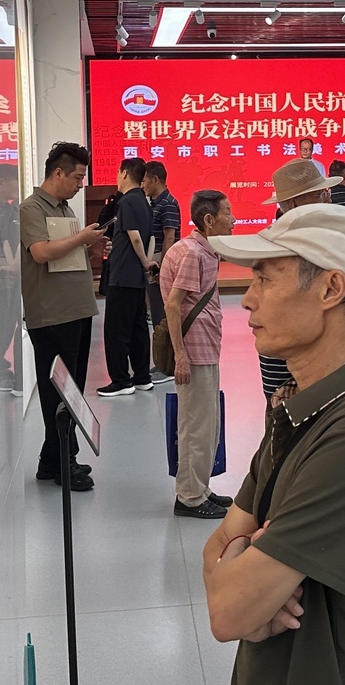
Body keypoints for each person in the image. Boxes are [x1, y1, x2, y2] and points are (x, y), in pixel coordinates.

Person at [202, 204, 345, 685]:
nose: (248, 300)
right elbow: (216, 550)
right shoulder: (301, 405)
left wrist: (245, 581)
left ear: (330, 289)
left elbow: (227, 610)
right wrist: (243, 560)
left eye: (265, 279)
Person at [19, 142, 109, 491]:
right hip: (53, 314)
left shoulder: (64, 207)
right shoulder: (32, 208)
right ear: (58, 173)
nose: (80, 184)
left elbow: (64, 255)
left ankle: (51, 460)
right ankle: (63, 463)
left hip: (76, 309)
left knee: (70, 388)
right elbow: (41, 253)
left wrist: (89, 246)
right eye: (77, 177)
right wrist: (81, 237)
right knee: (58, 392)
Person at [162, 190, 235, 519]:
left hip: (204, 347)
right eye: (227, 212)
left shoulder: (202, 250)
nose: (233, 219)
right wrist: (180, 356)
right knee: (195, 426)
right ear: (209, 220)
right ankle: (190, 496)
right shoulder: (193, 253)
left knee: (206, 423)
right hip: (194, 352)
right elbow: (173, 304)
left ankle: (200, 487)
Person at [256, 159, 342, 402]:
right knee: (287, 415)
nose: (326, 199)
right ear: (294, 203)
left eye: (325, 192)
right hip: (288, 359)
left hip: (318, 357)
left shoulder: (323, 236)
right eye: (318, 194)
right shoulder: (278, 244)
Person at [96, 158, 158, 397]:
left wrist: (144, 263)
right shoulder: (144, 201)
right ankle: (142, 377)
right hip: (135, 279)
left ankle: (121, 380)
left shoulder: (128, 201)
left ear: (124, 173)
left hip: (123, 275)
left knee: (116, 330)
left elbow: (134, 237)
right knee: (137, 328)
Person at [0, 163, 23, 395]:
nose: (18, 186)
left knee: (9, 322)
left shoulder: (13, 210)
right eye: (15, 181)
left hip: (12, 274)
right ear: (2, 182)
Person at [142, 161, 181, 334]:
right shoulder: (155, 203)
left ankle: (166, 349)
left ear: (155, 179)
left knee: (161, 313)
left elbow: (169, 237)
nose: (143, 185)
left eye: (145, 181)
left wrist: (164, 268)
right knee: (156, 308)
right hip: (154, 259)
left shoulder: (168, 203)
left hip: (161, 260)